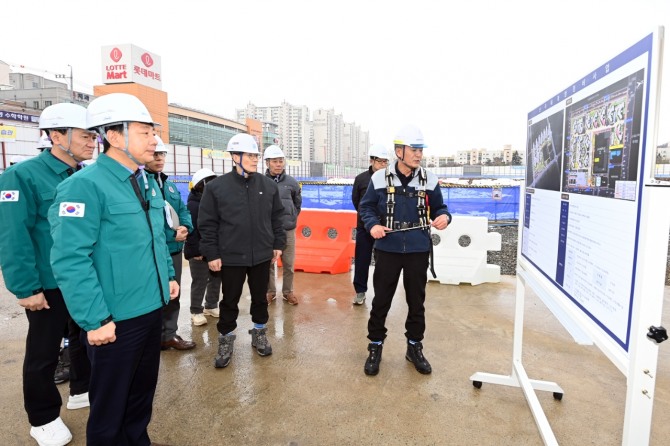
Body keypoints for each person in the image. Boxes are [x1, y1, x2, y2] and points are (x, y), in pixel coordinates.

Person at [48, 92, 179, 445]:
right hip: (114, 319)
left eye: (153, 132)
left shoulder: (146, 181)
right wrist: (94, 319)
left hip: (150, 309)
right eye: (144, 132)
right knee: (110, 409)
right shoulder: (83, 187)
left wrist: (167, 275)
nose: (154, 140)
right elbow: (70, 259)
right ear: (115, 136)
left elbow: (156, 236)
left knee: (140, 399)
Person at [0, 102, 95, 446]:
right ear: (57, 136)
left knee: (85, 338)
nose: (93, 141)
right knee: (43, 352)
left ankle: (82, 390)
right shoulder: (19, 176)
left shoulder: (82, 176)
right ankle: (42, 418)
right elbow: (12, 236)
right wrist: (25, 287)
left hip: (81, 278)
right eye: (85, 135)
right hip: (47, 284)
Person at [359, 124, 451, 377]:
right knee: (381, 301)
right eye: (414, 149)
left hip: (418, 249)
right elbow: (366, 208)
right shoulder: (379, 178)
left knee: (416, 302)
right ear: (399, 151)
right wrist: (373, 225)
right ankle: (375, 346)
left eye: (421, 150)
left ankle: (414, 347)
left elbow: (441, 208)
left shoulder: (429, 179)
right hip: (388, 249)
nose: (419, 155)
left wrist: (445, 217)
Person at [198, 133, 286, 369]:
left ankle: (259, 333)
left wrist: (278, 244)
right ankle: (225, 340)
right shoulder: (216, 188)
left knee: (260, 298)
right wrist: (212, 254)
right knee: (230, 301)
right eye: (250, 155)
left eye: (256, 155)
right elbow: (207, 224)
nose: (255, 160)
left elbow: (277, 217)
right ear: (235, 156)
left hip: (261, 255)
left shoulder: (267, 186)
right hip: (231, 257)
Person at [145, 135, 195, 351]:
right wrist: (169, 235)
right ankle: (151, 338)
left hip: (174, 251)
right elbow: (146, 220)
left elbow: (183, 209)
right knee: (153, 296)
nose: (159, 158)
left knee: (173, 294)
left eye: (162, 154)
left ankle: (169, 335)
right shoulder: (140, 184)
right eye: (155, 154)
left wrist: (185, 227)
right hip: (154, 251)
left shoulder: (170, 185)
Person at [351, 143, 390, 305]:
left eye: (385, 162)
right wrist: (367, 220)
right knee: (362, 260)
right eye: (380, 161)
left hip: (385, 227)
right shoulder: (361, 179)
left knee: (383, 261)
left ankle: (381, 293)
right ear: (372, 161)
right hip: (365, 227)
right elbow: (356, 202)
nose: (383, 165)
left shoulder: (391, 179)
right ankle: (360, 291)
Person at [263, 145, 302, 305]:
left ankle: (288, 292)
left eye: (281, 161)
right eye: (274, 161)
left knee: (288, 263)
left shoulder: (292, 183)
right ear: (267, 163)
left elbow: (297, 204)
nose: (278, 164)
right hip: (267, 230)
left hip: (287, 230)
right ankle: (270, 291)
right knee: (268, 263)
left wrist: (291, 218)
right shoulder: (260, 182)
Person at [185, 167, 222, 326]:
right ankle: (196, 311)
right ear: (201, 184)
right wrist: (196, 251)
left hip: (213, 249)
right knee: (200, 281)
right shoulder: (193, 204)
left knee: (215, 278)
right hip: (199, 251)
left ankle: (211, 305)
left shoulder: (214, 202)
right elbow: (191, 230)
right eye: (210, 182)